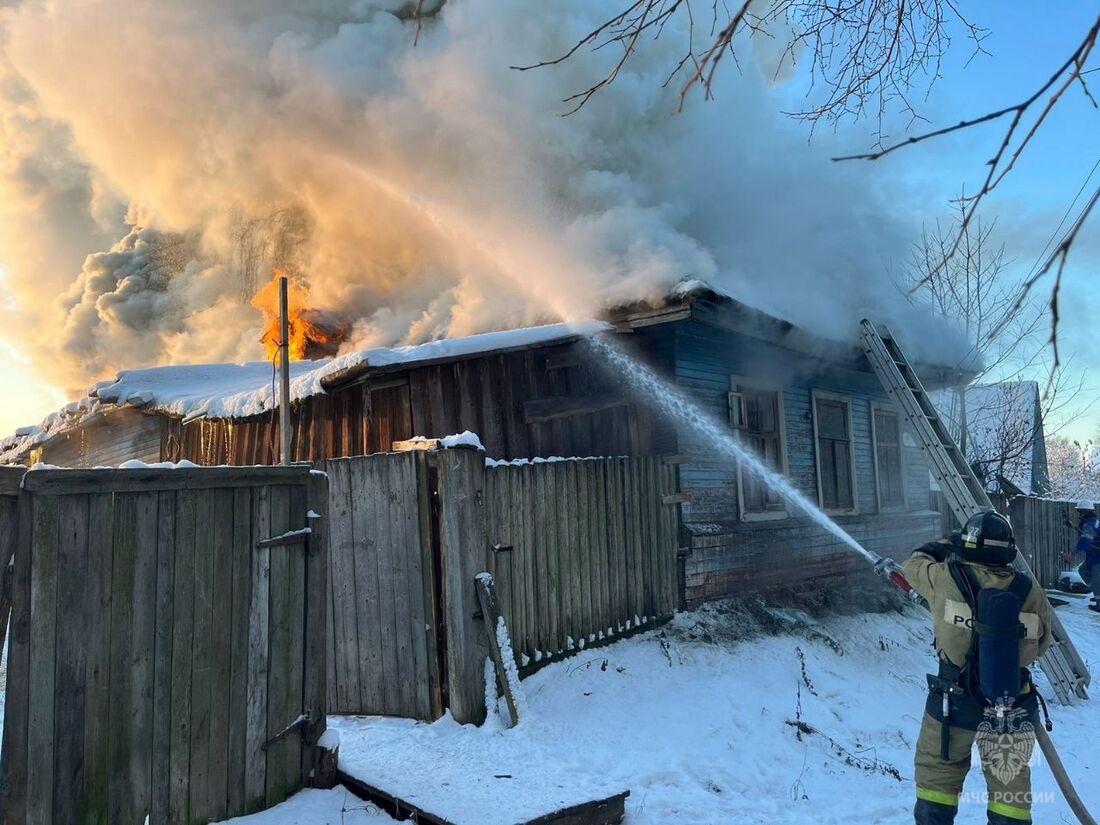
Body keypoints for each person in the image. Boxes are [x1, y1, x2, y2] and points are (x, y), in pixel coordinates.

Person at [903, 511, 1053, 825]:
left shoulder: (945, 578)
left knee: (938, 778)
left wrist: (947, 541)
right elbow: (1041, 643)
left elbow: (913, 563)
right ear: (1008, 550)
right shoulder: (1029, 589)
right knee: (1009, 788)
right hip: (1009, 702)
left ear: (968, 545)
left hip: (952, 703)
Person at [1066, 500, 1100, 612]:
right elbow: (1084, 531)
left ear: (1085, 512)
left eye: (1080, 512)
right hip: (1093, 556)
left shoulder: (1090, 524)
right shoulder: (1091, 522)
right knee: (1083, 571)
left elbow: (1086, 540)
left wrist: (1072, 553)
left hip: (1097, 557)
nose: (1079, 514)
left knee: (1096, 580)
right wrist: (1073, 526)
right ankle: (1097, 594)